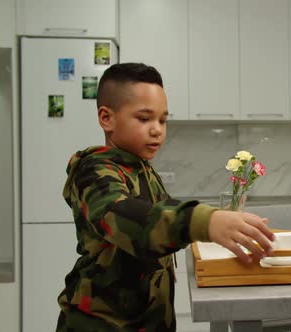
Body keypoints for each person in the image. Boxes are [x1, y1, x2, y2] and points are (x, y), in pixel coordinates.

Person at [56, 63, 274, 332]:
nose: (157, 129)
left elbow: (164, 217)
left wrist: (218, 223)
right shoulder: (95, 171)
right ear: (106, 118)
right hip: (101, 325)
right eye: (145, 118)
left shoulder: (142, 169)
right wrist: (203, 222)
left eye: (162, 120)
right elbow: (122, 215)